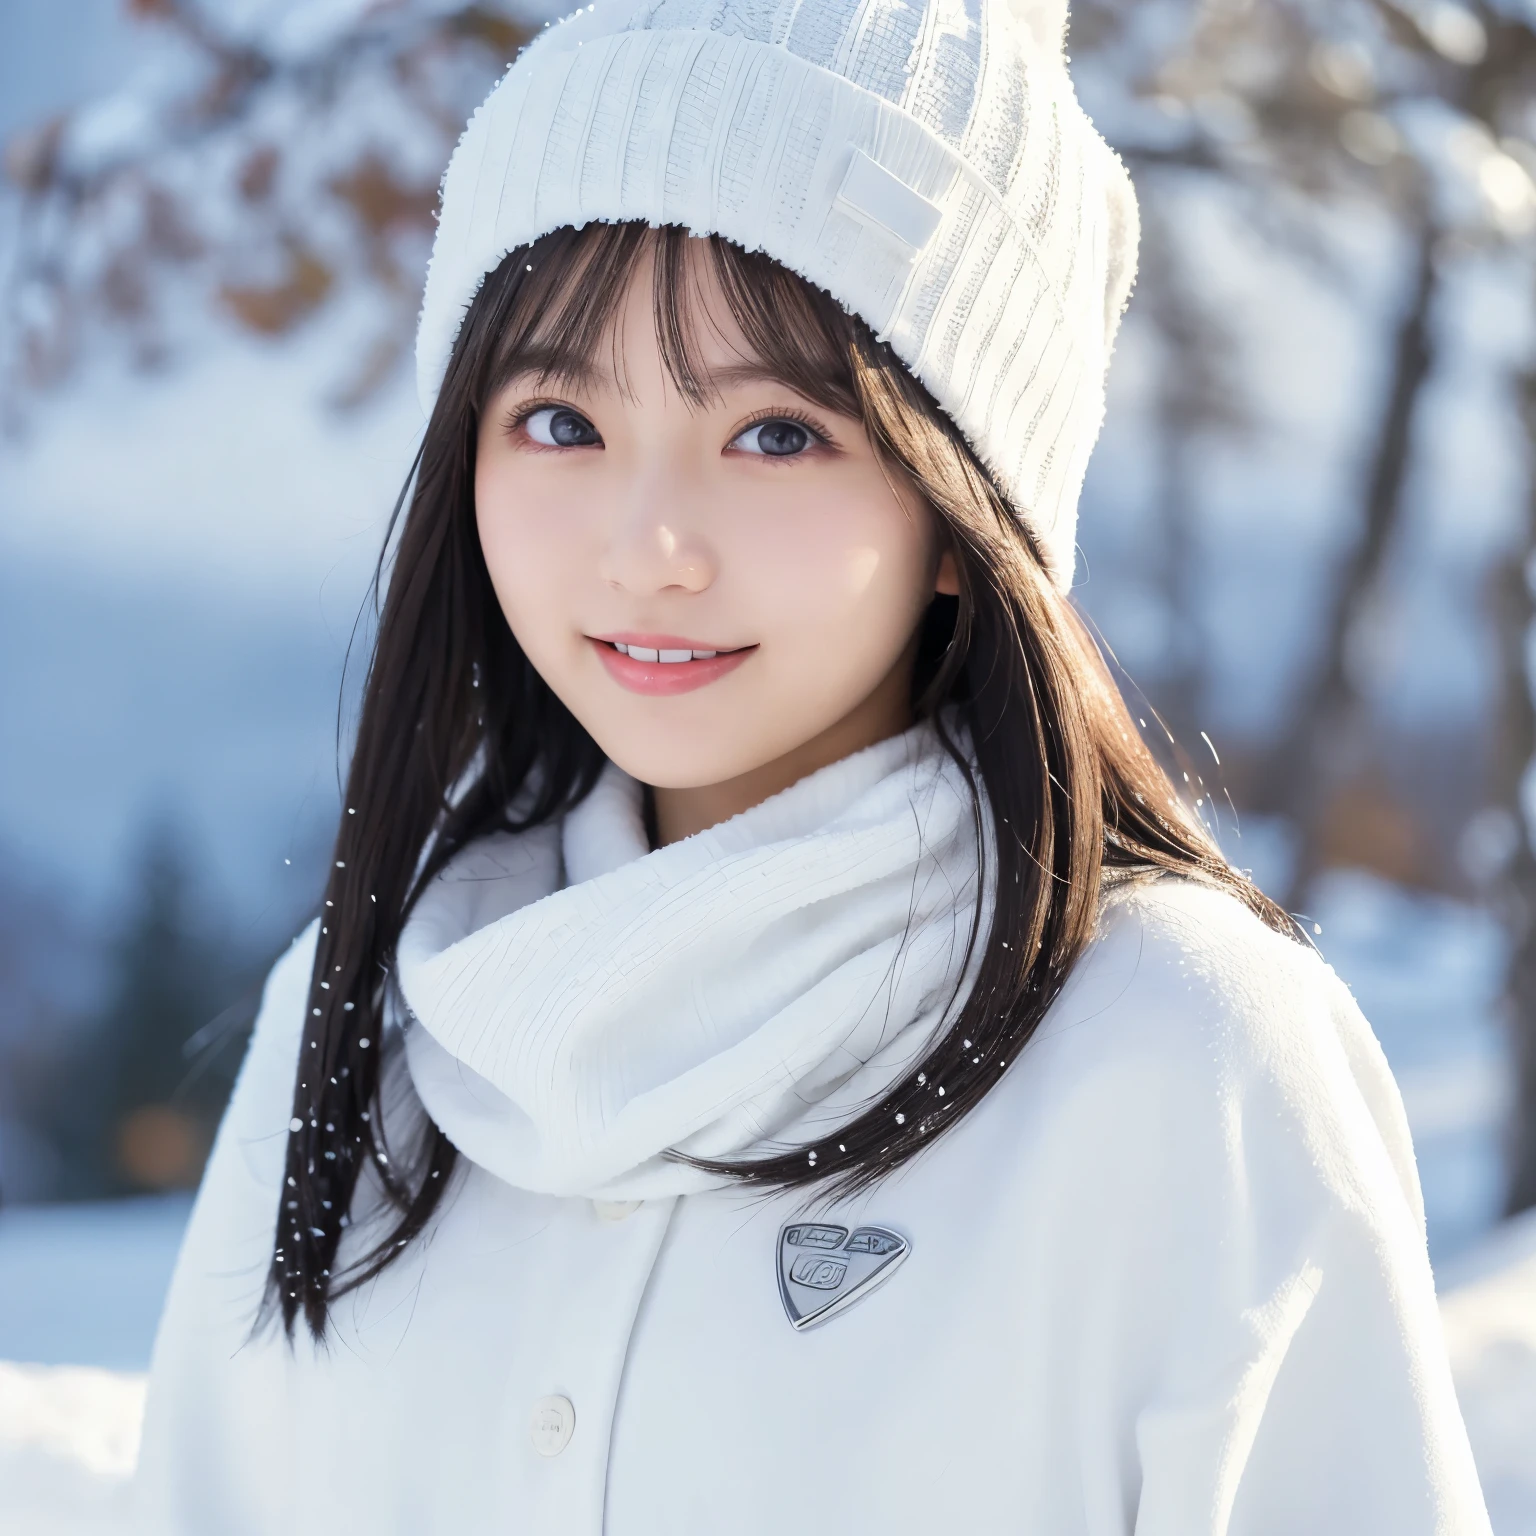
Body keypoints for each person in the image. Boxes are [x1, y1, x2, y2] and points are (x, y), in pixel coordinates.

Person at [134, 1, 1492, 1531]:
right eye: (562, 419)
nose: (648, 546)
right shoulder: (378, 1008)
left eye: (777, 435)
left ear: (966, 517)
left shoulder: (1182, 1059)